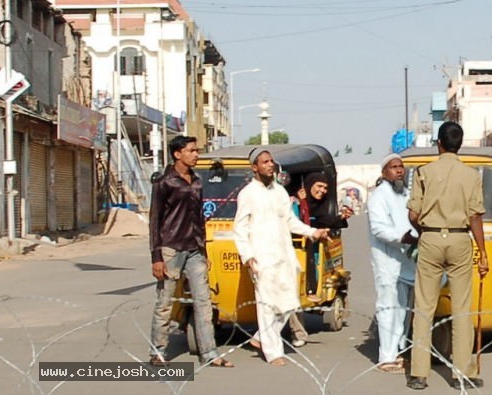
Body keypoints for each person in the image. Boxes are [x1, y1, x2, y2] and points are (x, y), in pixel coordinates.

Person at [406, 121, 489, 390]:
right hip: (459, 237)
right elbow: (475, 215)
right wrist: (483, 252)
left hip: (430, 236)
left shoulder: (423, 173)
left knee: (424, 306)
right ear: (460, 144)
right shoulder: (471, 175)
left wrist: (426, 232)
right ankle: (462, 373)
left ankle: (419, 372)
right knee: (462, 307)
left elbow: (413, 214)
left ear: (438, 143)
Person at [233, 150, 328, 366]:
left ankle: (260, 338)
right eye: (265, 162)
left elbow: (290, 221)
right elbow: (239, 228)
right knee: (267, 306)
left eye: (271, 162)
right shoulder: (247, 194)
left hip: (284, 255)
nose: (270, 165)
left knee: (289, 303)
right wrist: (247, 256)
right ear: (254, 167)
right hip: (261, 257)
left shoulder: (280, 192)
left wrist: (313, 232)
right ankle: (273, 352)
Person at [148, 135, 233, 368]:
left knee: (203, 302)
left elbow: (199, 218)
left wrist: (203, 249)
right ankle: (158, 351)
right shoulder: (165, 182)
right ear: (178, 154)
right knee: (165, 301)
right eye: (192, 150)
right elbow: (155, 221)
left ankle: (209, 352)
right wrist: (156, 257)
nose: (196, 154)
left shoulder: (196, 181)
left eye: (197, 150)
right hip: (171, 248)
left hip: (195, 249)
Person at [367, 153, 418, 374]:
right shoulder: (379, 195)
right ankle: (385, 357)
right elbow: (378, 228)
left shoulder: (406, 194)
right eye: (394, 167)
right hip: (387, 260)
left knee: (404, 309)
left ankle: (398, 351)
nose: (399, 170)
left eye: (401, 167)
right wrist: (401, 237)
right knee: (389, 307)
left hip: (407, 260)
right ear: (384, 172)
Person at [297, 172, 352, 302]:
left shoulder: (321, 205)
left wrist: (341, 218)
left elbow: (324, 220)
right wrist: (300, 203)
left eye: (325, 188)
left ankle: (311, 289)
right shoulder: (297, 200)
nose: (322, 191)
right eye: (319, 186)